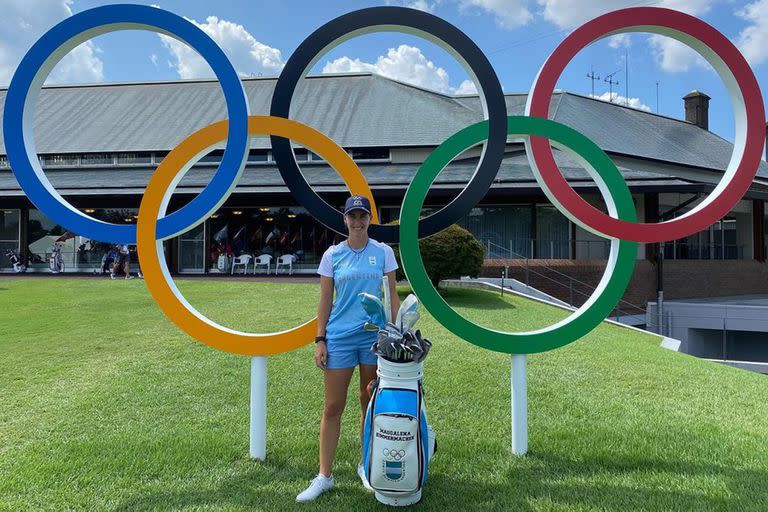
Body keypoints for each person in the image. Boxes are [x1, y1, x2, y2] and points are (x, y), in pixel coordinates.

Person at [296, 195, 400, 503]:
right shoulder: (333, 255)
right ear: (345, 220)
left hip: (373, 338)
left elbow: (391, 295)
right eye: (352, 216)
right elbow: (325, 299)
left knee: (369, 405)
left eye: (362, 216)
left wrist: (394, 333)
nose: (357, 221)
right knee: (332, 407)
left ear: (370, 219)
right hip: (339, 337)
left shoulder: (383, 252)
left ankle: (365, 467)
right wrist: (320, 339)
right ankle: (324, 476)